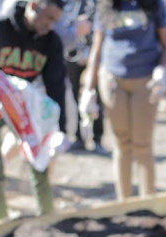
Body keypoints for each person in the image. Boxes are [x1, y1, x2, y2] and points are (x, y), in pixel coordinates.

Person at [0, 0, 67, 221]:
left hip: (26, 105)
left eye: (56, 20)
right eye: (49, 18)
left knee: (38, 158)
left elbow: (56, 87)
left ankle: (48, 217)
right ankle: (0, 218)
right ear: (33, 5)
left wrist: (60, 128)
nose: (51, 25)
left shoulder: (51, 42)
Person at [80, 0, 166, 200]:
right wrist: (88, 89)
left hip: (145, 80)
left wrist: (163, 71)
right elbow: (97, 48)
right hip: (113, 80)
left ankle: (148, 203)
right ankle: (125, 203)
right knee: (122, 144)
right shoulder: (106, 5)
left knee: (143, 145)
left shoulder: (155, 5)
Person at [61, 0, 107, 152]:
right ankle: (77, 137)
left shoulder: (100, 4)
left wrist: (92, 53)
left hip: (96, 54)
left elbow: (104, 23)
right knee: (73, 96)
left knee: (97, 96)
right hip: (72, 53)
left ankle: (97, 139)